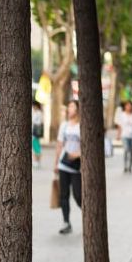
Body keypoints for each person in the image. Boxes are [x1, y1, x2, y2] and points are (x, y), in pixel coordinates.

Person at [54, 100, 83, 235]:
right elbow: (60, 144)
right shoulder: (64, 125)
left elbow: (87, 145)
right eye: (69, 107)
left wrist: (77, 154)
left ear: (77, 109)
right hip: (63, 165)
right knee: (63, 195)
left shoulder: (82, 126)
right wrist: (56, 163)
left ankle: (88, 218)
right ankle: (66, 222)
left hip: (77, 166)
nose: (69, 109)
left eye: (71, 106)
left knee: (78, 195)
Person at [116, 101, 132, 173]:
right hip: (124, 135)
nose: (129, 107)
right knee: (126, 150)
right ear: (125, 106)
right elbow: (119, 125)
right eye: (127, 105)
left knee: (131, 152)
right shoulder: (122, 115)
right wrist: (118, 135)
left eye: (130, 105)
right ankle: (125, 166)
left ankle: (130, 167)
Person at [31, 102, 44, 168]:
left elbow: (39, 122)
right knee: (36, 147)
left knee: (36, 147)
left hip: (35, 132)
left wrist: (33, 122)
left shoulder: (38, 113)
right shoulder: (36, 112)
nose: (33, 107)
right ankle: (37, 161)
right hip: (34, 132)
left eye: (34, 106)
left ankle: (37, 161)